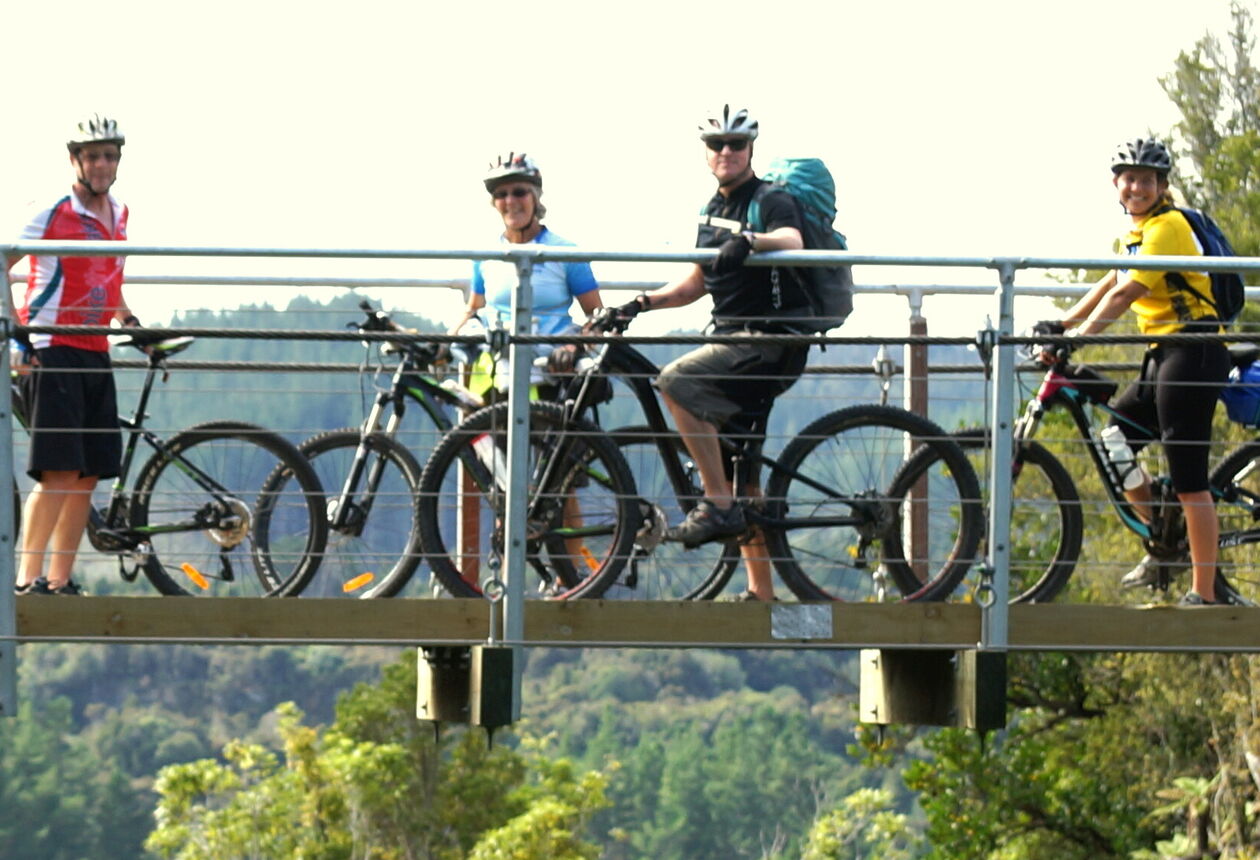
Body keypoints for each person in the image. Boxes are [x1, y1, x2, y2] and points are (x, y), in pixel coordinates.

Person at [612, 105, 813, 602]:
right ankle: (761, 590)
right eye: (716, 144)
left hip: (769, 341)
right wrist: (640, 303)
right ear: (706, 154)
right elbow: (699, 281)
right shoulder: (709, 210)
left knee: (676, 381)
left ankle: (716, 501)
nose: (726, 152)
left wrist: (750, 239)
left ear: (750, 151)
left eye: (736, 144)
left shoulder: (770, 198)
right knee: (741, 465)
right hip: (733, 339)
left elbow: (792, 239)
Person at [1033, 137, 1230, 605]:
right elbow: (1108, 284)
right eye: (1130, 179)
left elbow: (1125, 297)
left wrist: (1076, 339)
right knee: (1114, 439)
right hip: (1163, 354)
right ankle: (1164, 536)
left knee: (1190, 480)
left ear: (1162, 186)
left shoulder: (1168, 227)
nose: (1137, 187)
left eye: (1147, 179)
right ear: (1117, 185)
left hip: (1193, 352)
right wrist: (1062, 323)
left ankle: (1203, 593)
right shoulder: (1135, 235)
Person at [6, 114, 143, 595]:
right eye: (93, 156)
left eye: (110, 156)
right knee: (58, 470)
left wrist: (130, 323)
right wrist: (17, 337)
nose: (103, 164)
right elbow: (3, 262)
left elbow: (111, 283)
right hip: (51, 346)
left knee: (87, 475)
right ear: (76, 160)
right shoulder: (51, 210)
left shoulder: (120, 214)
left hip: (94, 348)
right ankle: (27, 579)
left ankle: (59, 579)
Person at [449, 152, 603, 400]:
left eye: (519, 192)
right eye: (501, 194)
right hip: (495, 374)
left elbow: (597, 318)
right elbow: (473, 308)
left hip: (551, 369)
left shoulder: (565, 252)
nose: (510, 201)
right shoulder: (485, 253)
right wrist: (443, 343)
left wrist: (574, 347)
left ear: (535, 197)